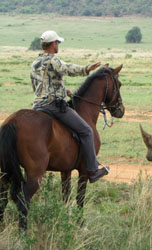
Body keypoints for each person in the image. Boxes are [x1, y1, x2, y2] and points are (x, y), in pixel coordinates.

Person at [30, 30, 109, 183]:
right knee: (86, 131)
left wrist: (63, 90)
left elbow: (41, 85)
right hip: (53, 106)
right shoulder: (53, 60)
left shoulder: (35, 63)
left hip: (38, 106)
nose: (58, 45)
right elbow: (67, 68)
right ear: (53, 44)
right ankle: (92, 170)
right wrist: (86, 69)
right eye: (57, 43)